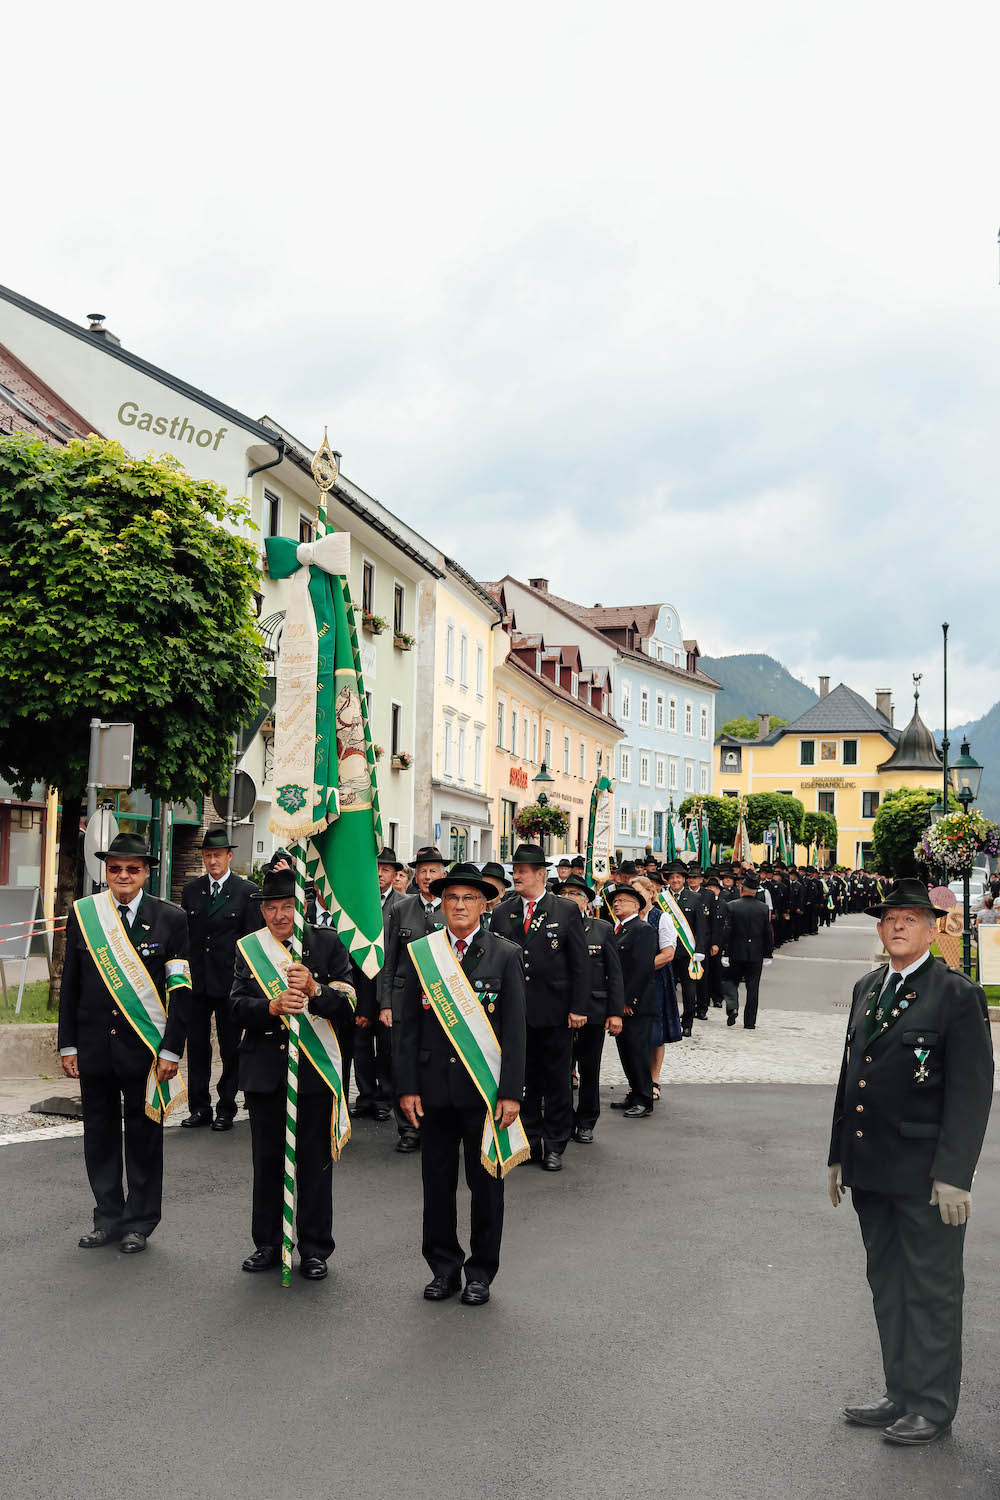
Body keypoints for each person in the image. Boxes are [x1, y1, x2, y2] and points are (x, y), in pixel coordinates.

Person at [828, 878, 994, 1445]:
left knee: (931, 1288)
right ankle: (899, 1390)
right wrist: (836, 1155)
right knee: (889, 1283)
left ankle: (932, 1404)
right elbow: (851, 1078)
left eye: (910, 918)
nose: (897, 925)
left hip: (925, 1176)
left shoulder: (955, 993)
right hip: (871, 1168)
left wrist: (955, 1174)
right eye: (890, 917)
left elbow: (972, 1091)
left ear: (932, 928)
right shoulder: (868, 987)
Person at [395, 863, 526, 1306]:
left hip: (484, 1091)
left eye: (469, 898)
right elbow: (407, 1026)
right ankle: (444, 1268)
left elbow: (514, 1030)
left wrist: (510, 1092)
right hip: (433, 1090)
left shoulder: (504, 954)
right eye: (452, 898)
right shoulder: (423, 953)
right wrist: (407, 1087)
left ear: (485, 904)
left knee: (486, 1184)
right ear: (442, 905)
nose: (459, 906)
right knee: (437, 1184)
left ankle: (480, 1273)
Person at [58, 832, 191, 1254]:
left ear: (146, 872)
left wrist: (171, 1050)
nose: (123, 876)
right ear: (106, 871)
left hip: (143, 1050)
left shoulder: (170, 918)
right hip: (95, 1047)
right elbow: (71, 984)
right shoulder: (85, 915)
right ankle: (107, 1218)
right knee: (98, 1134)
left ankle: (139, 1222)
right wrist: (68, 1045)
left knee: (144, 1136)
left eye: (132, 869)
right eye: (115, 868)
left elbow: (181, 991)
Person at [230, 868, 357, 1280]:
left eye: (287, 906)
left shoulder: (327, 943)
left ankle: (315, 1248)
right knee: (267, 1163)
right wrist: (269, 1008)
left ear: (302, 906)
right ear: (263, 910)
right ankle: (267, 1243)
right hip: (265, 1071)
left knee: (315, 1164)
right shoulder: (249, 948)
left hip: (314, 1072)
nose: (280, 915)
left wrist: (317, 991)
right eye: (272, 907)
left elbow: (350, 1005)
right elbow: (234, 1007)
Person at [489, 842, 589, 1171]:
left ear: (540, 874)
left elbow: (579, 963)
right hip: (515, 1012)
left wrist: (578, 1007)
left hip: (555, 1009)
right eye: (514, 870)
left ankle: (556, 1142)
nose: (515, 876)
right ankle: (530, 1139)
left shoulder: (565, 910)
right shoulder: (504, 911)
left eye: (522, 871)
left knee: (557, 1079)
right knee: (523, 1077)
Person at [179, 827, 260, 1132]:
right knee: (198, 1047)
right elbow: (186, 936)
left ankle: (227, 1106)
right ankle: (199, 1107)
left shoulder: (246, 891)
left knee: (230, 1048)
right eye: (208, 855)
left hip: (230, 983)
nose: (212, 861)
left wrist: (247, 984)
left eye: (218, 855)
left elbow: (250, 941)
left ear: (229, 856)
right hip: (198, 982)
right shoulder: (191, 890)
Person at [379, 847, 448, 1152]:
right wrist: (386, 1003)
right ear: (414, 876)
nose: (427, 877)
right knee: (402, 1061)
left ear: (443, 875)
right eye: (422, 871)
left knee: (434, 1061)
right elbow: (389, 960)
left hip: (441, 999)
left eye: (433, 871)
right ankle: (407, 1128)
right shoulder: (401, 909)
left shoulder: (452, 907)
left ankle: (434, 1121)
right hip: (404, 997)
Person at [558, 873, 624, 1142]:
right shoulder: (551, 926)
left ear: (587, 901)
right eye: (565, 893)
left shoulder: (601, 929)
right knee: (560, 1070)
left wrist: (615, 1012)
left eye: (576, 894)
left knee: (589, 1069)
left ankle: (586, 1121)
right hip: (559, 1009)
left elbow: (615, 973)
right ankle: (560, 1121)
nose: (570, 898)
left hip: (594, 1011)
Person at [352, 846, 405, 1121]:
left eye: (385, 869)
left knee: (386, 1047)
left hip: (389, 987)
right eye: (376, 868)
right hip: (363, 984)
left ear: (396, 874)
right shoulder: (359, 902)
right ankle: (365, 1096)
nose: (380, 874)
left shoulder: (402, 904)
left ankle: (385, 1097)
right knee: (361, 1046)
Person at [605, 882, 658, 1116]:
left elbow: (642, 969)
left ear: (636, 905)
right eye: (614, 901)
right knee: (626, 1051)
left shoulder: (642, 929)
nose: (616, 904)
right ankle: (634, 1093)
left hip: (636, 1004)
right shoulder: (618, 929)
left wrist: (628, 1001)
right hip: (621, 1002)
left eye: (622, 901)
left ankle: (644, 1099)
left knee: (637, 1051)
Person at [632, 875, 678, 1099]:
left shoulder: (661, 918)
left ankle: (654, 1080)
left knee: (655, 1031)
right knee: (635, 1031)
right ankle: (637, 1082)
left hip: (656, 978)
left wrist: (641, 967)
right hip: (632, 981)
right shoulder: (628, 918)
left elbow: (668, 954)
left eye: (640, 893)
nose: (636, 898)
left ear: (651, 893)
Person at [721, 872, 773, 1028]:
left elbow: (727, 931)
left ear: (742, 888)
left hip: (736, 952)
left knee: (730, 982)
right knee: (753, 988)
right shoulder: (763, 908)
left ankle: (732, 1007)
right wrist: (768, 953)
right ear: (756, 891)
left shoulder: (732, 906)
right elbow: (767, 931)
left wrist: (725, 952)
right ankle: (750, 1022)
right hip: (756, 953)